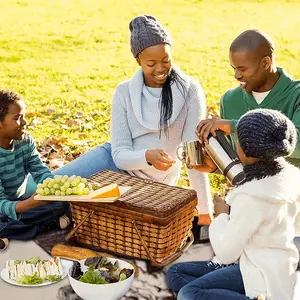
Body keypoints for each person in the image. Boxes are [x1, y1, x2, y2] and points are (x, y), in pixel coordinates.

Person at [30, 15, 212, 225]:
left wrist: (205, 211)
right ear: (138, 60)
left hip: (150, 185)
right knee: (46, 189)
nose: (161, 69)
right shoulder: (124, 92)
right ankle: (11, 212)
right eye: (151, 63)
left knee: (68, 209)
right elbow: (119, 155)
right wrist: (146, 156)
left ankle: (64, 216)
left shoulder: (190, 91)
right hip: (112, 163)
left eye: (166, 59)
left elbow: (193, 156)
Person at [166, 108, 300, 300]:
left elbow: (226, 252)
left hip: (259, 274)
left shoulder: (251, 197)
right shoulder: (291, 178)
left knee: (189, 293)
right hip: (273, 266)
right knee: (176, 273)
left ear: (244, 151)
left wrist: (222, 215)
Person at [195, 29, 300, 261]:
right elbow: (243, 162)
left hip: (289, 208)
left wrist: (234, 126)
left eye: (242, 69)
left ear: (266, 62)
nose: (236, 76)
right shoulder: (230, 100)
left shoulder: (296, 94)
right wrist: (214, 165)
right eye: (233, 68)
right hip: (248, 206)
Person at [0, 90, 70, 241]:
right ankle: (40, 227)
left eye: (24, 116)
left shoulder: (25, 141)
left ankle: (16, 232)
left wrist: (53, 189)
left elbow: (40, 172)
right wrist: (28, 205)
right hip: (5, 207)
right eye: (17, 118)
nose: (24, 122)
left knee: (64, 203)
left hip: (20, 202)